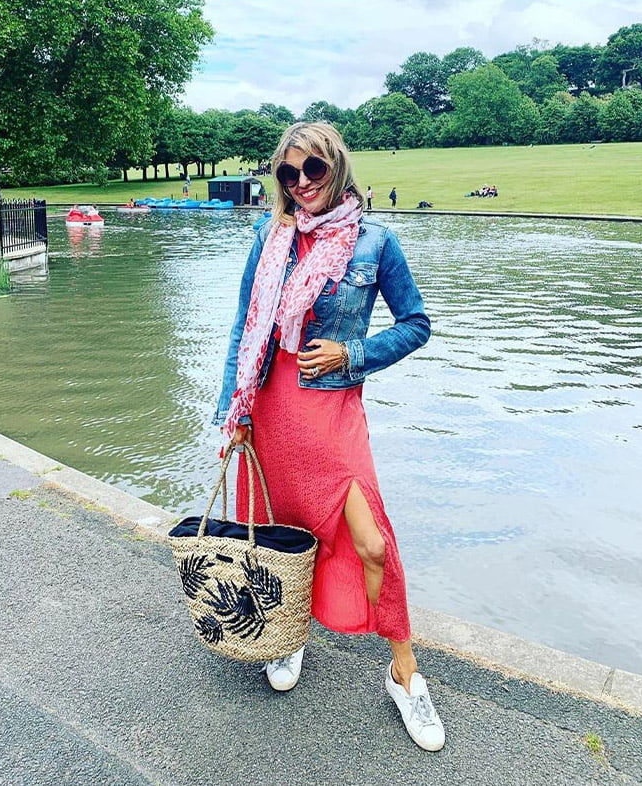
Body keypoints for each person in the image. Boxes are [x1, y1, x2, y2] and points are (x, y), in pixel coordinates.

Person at [213, 122, 444, 752]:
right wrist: (232, 415)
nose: (301, 184)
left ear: (336, 167)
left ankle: (405, 675)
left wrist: (351, 353)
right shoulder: (270, 234)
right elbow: (244, 329)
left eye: (312, 169)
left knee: (371, 543)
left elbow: (418, 325)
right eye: (288, 174)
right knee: (283, 541)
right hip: (268, 405)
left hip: (332, 411)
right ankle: (285, 638)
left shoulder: (375, 241)